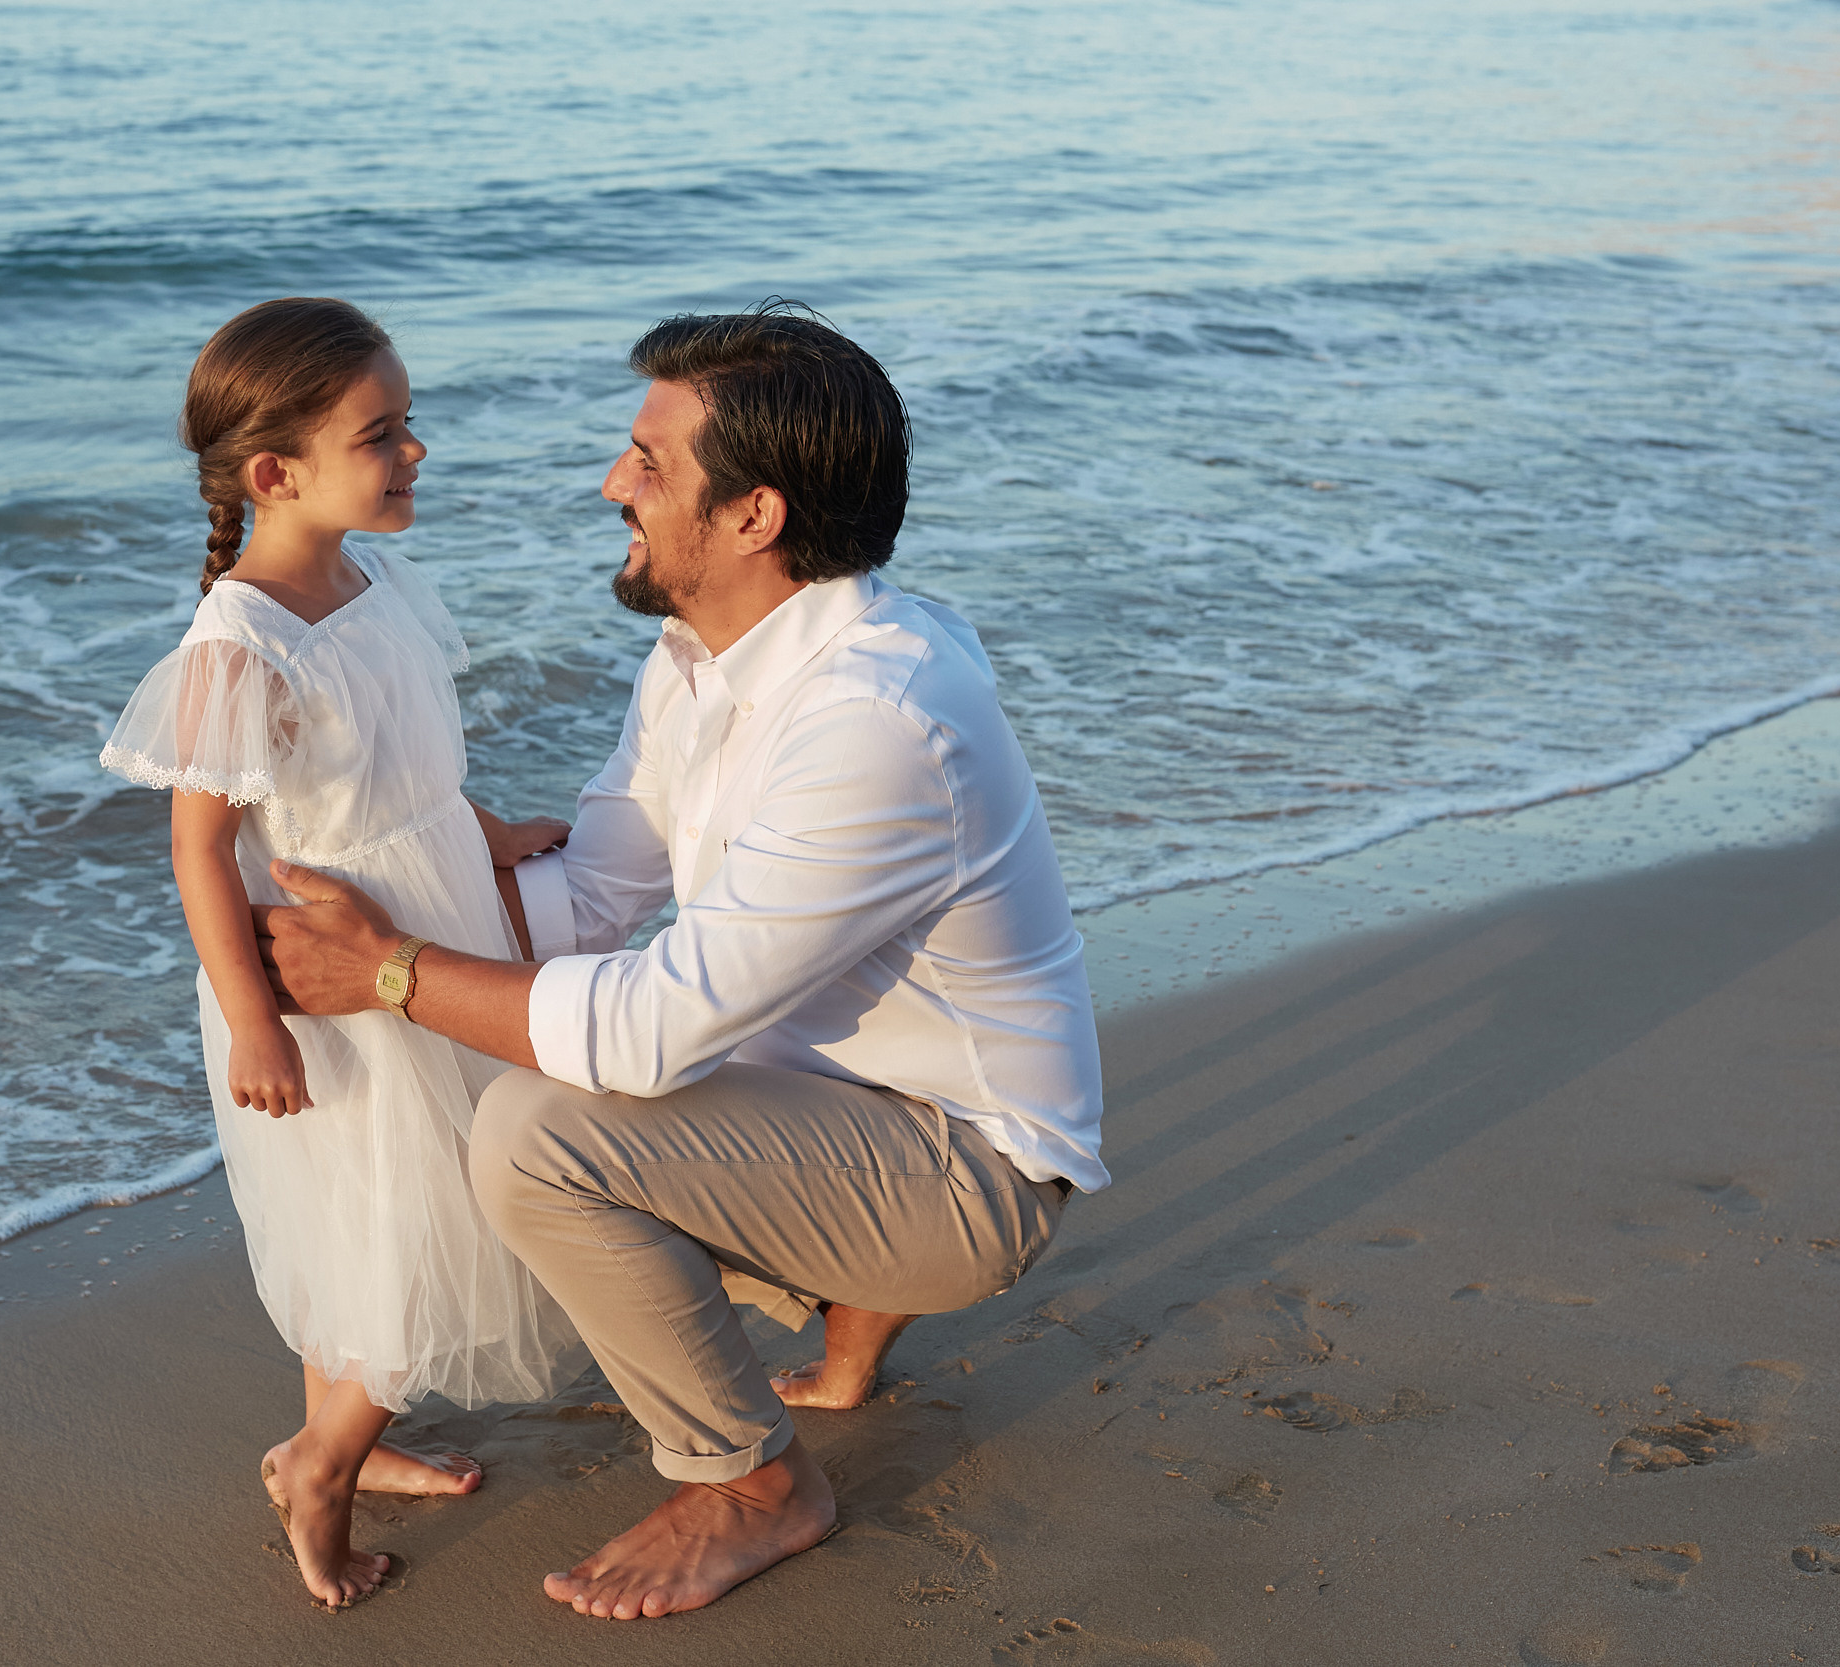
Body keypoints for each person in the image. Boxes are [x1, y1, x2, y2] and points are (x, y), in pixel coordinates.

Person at [253, 302, 1107, 1621]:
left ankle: (754, 1486)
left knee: (534, 1132)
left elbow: (653, 1032)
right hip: (853, 1109)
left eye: (650, 463)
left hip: (967, 1176)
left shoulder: (874, 721)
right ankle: (846, 1340)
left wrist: (395, 973)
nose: (614, 482)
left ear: (755, 516)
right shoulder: (711, 651)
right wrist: (384, 901)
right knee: (526, 1040)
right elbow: (595, 891)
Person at [96, 297, 576, 1610]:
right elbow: (202, 853)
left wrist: (490, 836)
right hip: (331, 983)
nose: (415, 450)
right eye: (381, 434)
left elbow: (412, 765)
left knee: (371, 1223)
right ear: (275, 473)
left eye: (409, 422)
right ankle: (319, 1467)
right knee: (411, 1230)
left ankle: (347, 1436)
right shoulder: (237, 647)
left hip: (427, 926)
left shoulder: (375, 580)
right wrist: (253, 1020)